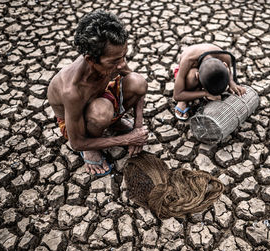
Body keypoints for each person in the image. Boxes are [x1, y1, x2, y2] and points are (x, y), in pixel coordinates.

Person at [47, 10, 148, 176]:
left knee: (138, 82)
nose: (122, 64)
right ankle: (92, 150)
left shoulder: (113, 59)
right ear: (91, 60)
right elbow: (77, 143)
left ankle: (114, 124)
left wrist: (138, 126)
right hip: (77, 126)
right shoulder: (72, 90)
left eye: (124, 56)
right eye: (115, 61)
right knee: (101, 112)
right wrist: (128, 139)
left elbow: (138, 86)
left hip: (102, 98)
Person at [173, 43, 247, 120]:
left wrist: (231, 82)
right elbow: (177, 95)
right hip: (188, 69)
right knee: (191, 77)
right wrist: (206, 93)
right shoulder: (187, 60)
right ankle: (185, 100)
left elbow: (229, 72)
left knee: (217, 79)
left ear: (225, 65)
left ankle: (198, 90)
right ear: (197, 76)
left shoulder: (225, 56)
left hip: (206, 66)